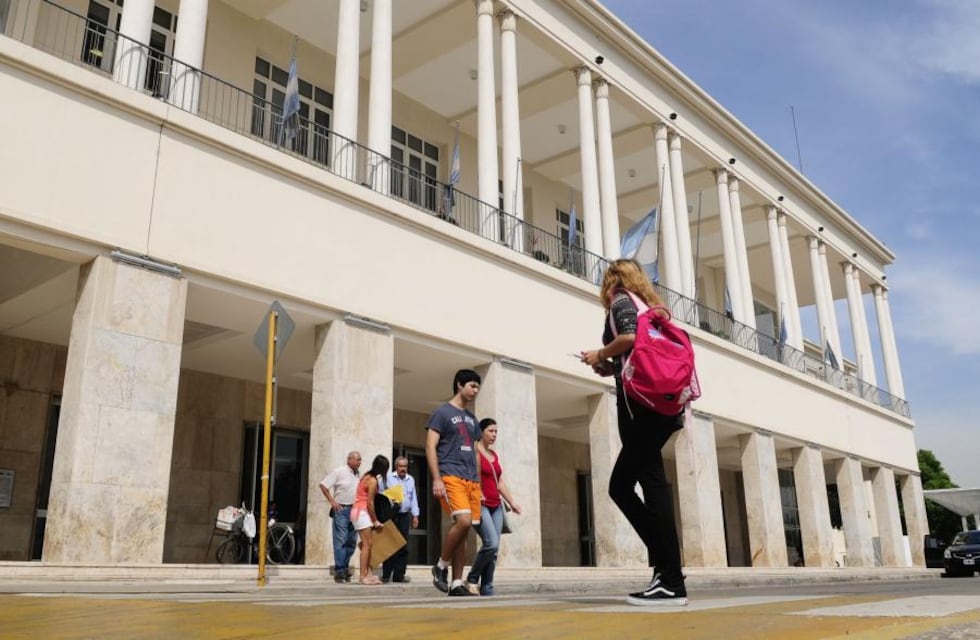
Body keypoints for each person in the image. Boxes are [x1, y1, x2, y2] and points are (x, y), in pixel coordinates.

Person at [580, 258, 688, 606]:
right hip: (666, 403)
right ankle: (667, 569)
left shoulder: (620, 300)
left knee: (637, 483)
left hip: (639, 404)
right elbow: (634, 349)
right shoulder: (650, 307)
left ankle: (670, 577)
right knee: (632, 483)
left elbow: (627, 337)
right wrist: (610, 366)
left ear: (612, 279)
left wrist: (599, 352)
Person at [426, 368, 483, 597]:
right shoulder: (442, 412)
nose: (475, 391)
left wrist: (478, 482)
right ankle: (441, 566)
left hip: (471, 480)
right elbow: (430, 446)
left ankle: (457, 582)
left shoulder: (472, 419)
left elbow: (477, 452)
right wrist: (437, 478)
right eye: (472, 386)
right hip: (450, 474)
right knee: (463, 521)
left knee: (464, 531)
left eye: (478, 387)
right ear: (459, 384)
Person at [466, 418, 521, 596]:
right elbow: (471, 474)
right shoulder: (475, 451)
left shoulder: (494, 455)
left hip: (496, 505)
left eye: (496, 431)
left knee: (494, 549)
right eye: (491, 431)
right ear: (481, 432)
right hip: (479, 504)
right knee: (491, 543)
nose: (494, 435)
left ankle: (487, 586)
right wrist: (477, 491)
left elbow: (499, 482)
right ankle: (472, 578)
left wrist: (512, 502)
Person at [318, 451, 362, 583]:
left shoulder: (357, 474)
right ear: (350, 460)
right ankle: (340, 570)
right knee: (341, 540)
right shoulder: (339, 471)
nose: (360, 462)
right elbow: (323, 485)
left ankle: (345, 567)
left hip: (354, 510)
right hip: (341, 510)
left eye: (360, 460)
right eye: (358, 460)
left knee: (351, 542)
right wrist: (332, 501)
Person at [351, 454, 390, 585]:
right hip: (362, 512)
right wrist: (375, 521)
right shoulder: (372, 480)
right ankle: (363, 576)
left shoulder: (366, 476)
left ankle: (368, 573)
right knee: (367, 545)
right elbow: (370, 503)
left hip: (358, 511)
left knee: (368, 544)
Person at [382, 456, 420, 583]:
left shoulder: (411, 479)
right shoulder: (388, 478)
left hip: (404, 515)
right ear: (396, 467)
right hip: (391, 515)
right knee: (389, 544)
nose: (403, 469)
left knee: (403, 545)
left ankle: (399, 575)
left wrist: (415, 515)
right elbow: (380, 493)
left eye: (405, 466)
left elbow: (413, 497)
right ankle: (386, 574)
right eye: (401, 466)